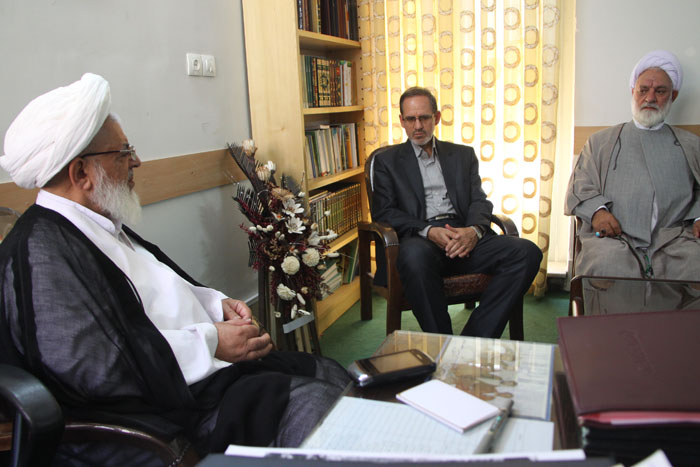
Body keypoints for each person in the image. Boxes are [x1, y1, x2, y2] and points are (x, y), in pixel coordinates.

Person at [0, 73, 350, 465]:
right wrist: (212, 342)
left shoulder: (96, 221)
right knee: (316, 404)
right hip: (165, 412)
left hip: (199, 378)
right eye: (124, 153)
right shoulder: (41, 251)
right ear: (81, 173)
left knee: (327, 371)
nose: (136, 162)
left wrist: (217, 305)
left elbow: (157, 286)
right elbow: (98, 370)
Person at [371, 87, 542, 337]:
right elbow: (385, 212)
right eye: (411, 119)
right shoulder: (387, 161)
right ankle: (443, 343)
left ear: (437, 117)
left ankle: (474, 338)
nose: (418, 126)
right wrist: (429, 231)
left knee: (526, 252)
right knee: (414, 256)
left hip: (463, 234)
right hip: (421, 238)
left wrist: (473, 231)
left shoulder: (462, 155)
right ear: (402, 121)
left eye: (424, 118)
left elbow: (479, 200)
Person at [565, 50, 700, 279]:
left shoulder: (691, 145)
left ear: (673, 96)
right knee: (604, 263)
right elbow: (581, 186)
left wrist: (698, 218)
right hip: (616, 238)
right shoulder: (601, 142)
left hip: (675, 239)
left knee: (695, 263)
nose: (650, 98)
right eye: (643, 90)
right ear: (633, 92)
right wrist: (598, 212)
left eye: (660, 91)